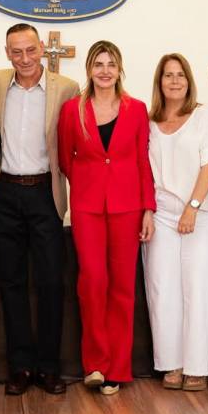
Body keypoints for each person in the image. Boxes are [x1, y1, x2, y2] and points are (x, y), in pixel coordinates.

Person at [0, 23, 78, 397]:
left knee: (51, 283)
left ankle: (49, 368)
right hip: (4, 191)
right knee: (11, 282)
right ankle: (20, 367)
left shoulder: (66, 89)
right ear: (7, 52)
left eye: (30, 50)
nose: (24, 59)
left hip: (44, 192)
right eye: (16, 52)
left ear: (41, 48)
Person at [58, 40, 155, 396]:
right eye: (98, 64)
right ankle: (95, 364)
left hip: (128, 207)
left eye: (111, 64)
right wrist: (87, 185)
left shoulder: (137, 109)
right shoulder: (72, 110)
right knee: (93, 281)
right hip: (87, 208)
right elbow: (65, 158)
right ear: (89, 69)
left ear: (120, 69)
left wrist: (148, 209)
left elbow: (144, 162)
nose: (104, 71)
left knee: (123, 287)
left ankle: (118, 367)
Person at [143, 53, 208, 391]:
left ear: (189, 81)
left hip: (198, 214)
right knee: (163, 290)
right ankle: (171, 365)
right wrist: (147, 211)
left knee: (198, 289)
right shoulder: (148, 122)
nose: (174, 81)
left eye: (180, 75)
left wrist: (192, 206)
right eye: (168, 75)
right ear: (159, 82)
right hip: (160, 213)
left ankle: (197, 368)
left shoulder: (202, 116)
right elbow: (143, 171)